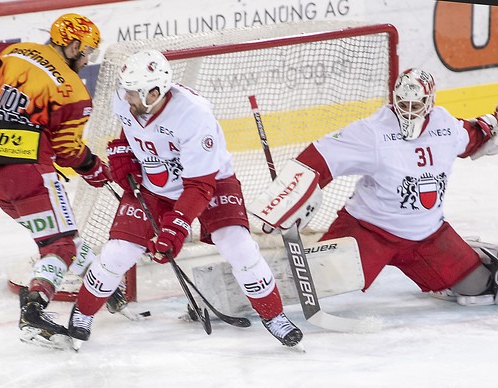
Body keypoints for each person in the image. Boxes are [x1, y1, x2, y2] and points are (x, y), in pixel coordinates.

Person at [67, 49, 303, 349]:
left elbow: (199, 185)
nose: (125, 98)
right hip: (155, 186)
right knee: (117, 253)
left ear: (154, 93)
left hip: (211, 183)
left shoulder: (194, 114)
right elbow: (130, 129)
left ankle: (274, 315)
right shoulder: (126, 99)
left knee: (238, 245)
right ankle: (83, 313)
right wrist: (124, 150)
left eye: (133, 93)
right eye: (124, 90)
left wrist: (175, 228)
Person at [252, 68, 498, 309]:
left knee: (480, 289)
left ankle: (470, 253)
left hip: (429, 236)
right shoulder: (372, 131)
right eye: (403, 104)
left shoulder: (446, 126)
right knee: (316, 283)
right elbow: (321, 156)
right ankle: (252, 280)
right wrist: (282, 203)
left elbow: (475, 137)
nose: (409, 112)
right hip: (369, 233)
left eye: (416, 105)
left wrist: (493, 125)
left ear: (430, 102)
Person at [0, 13, 112, 348]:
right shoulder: (73, 91)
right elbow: (66, 151)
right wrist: (94, 168)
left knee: (59, 238)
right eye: (86, 49)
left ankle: (109, 290)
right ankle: (34, 307)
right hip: (28, 169)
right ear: (71, 44)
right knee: (59, 245)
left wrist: (14, 60)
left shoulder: (15, 54)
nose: (88, 58)